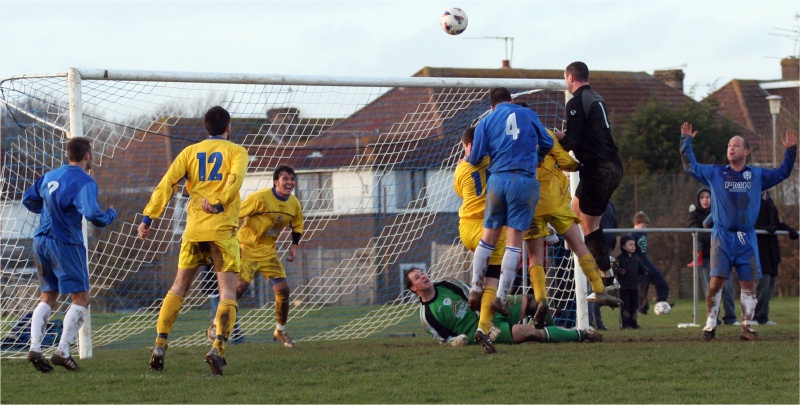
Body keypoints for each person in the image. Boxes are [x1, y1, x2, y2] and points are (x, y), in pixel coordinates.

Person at [137, 106, 249, 374]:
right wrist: (220, 204)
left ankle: (160, 344)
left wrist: (148, 217)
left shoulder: (189, 152)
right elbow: (234, 181)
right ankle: (217, 349)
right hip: (222, 231)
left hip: (194, 231)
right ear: (228, 127)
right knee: (228, 293)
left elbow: (167, 183)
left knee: (178, 288)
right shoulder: (237, 152)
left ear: (205, 127)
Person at [680, 122, 797, 341]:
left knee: (749, 283)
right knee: (716, 282)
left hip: (746, 237)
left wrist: (790, 151)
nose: (731, 149)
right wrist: (685, 142)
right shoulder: (716, 173)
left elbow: (783, 173)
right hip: (722, 237)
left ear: (746, 151)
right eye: (728, 146)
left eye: (735, 145)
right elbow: (690, 166)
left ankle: (747, 327)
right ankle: (710, 325)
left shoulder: (756, 175)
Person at [465, 87, 553, 351]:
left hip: (498, 180)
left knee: (488, 238)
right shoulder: (527, 114)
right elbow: (547, 142)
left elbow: (476, 157)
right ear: (512, 101)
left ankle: (475, 287)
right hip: (524, 181)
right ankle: (501, 297)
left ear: (492, 106)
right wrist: (535, 157)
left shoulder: (486, 121)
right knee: (514, 244)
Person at [22, 137, 117, 372]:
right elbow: (93, 215)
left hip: (41, 240)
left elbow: (28, 199)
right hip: (65, 243)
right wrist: (110, 215)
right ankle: (63, 351)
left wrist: (48, 210)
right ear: (87, 155)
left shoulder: (50, 176)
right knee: (82, 299)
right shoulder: (85, 181)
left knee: (48, 296)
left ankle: (35, 346)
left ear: (68, 155)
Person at [523, 126, 622, 330]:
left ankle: (541, 299)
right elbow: (567, 162)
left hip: (529, 203)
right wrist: (578, 165)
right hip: (555, 202)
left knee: (535, 256)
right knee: (579, 244)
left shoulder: (509, 140)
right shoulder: (544, 133)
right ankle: (599, 287)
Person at [554, 61, 624, 290]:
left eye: (566, 79)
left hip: (598, 170)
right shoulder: (596, 97)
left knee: (589, 226)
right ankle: (584, 264)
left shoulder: (575, 101)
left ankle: (606, 276)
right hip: (611, 165)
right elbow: (587, 134)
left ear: (570, 78)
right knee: (573, 212)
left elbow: (570, 142)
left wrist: (554, 139)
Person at [403, 268, 602, 347]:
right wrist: (458, 341)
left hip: (490, 310)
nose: (424, 277)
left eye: (423, 273)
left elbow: (472, 294)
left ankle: (551, 334)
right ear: (413, 288)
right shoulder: (427, 315)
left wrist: (488, 308)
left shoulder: (446, 283)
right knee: (528, 332)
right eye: (418, 278)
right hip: (484, 331)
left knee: (534, 302)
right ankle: (581, 334)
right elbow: (444, 339)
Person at [235, 165, 303, 348]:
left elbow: (297, 226)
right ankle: (216, 325)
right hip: (246, 248)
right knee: (239, 288)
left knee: (283, 290)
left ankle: (280, 331)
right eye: (285, 179)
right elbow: (236, 215)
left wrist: (294, 246)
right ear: (276, 182)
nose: (289, 183)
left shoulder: (294, 204)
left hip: (268, 252)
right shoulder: (259, 198)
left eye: (291, 179)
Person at [453, 127, 506, 353]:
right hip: (490, 227)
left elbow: (461, 193)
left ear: (466, 145)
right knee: (492, 280)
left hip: (466, 227)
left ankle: (475, 290)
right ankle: (483, 327)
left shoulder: (461, 169)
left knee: (482, 275)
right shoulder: (495, 160)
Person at [687, 187, 738, 325]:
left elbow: (728, 229)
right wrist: (716, 234)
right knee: (710, 289)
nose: (705, 200)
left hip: (723, 255)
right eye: (702, 197)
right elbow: (699, 235)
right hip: (706, 257)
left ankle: (731, 318)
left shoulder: (720, 212)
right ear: (698, 200)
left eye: (707, 197)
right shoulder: (694, 215)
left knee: (727, 287)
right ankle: (714, 318)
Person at [753, 191, 798, 326]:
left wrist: (789, 229)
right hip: (760, 249)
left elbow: (776, 223)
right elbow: (747, 224)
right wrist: (766, 228)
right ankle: (754, 316)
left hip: (772, 249)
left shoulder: (770, 201)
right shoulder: (751, 200)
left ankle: (763, 317)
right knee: (763, 283)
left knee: (770, 285)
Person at [632, 211, 671, 315]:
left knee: (662, 283)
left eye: (646, 226)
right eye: (643, 225)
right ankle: (642, 309)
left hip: (647, 261)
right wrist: (640, 266)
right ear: (636, 223)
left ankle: (662, 302)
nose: (645, 228)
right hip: (639, 264)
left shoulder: (644, 232)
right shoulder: (632, 234)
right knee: (643, 287)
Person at [615, 235, 645, 329]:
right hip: (624, 287)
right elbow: (614, 269)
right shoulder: (620, 258)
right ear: (623, 246)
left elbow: (641, 267)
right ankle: (625, 324)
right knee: (625, 306)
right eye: (630, 244)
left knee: (634, 305)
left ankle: (634, 323)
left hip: (634, 286)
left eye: (634, 245)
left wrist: (645, 271)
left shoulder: (636, 257)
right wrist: (619, 271)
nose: (633, 246)